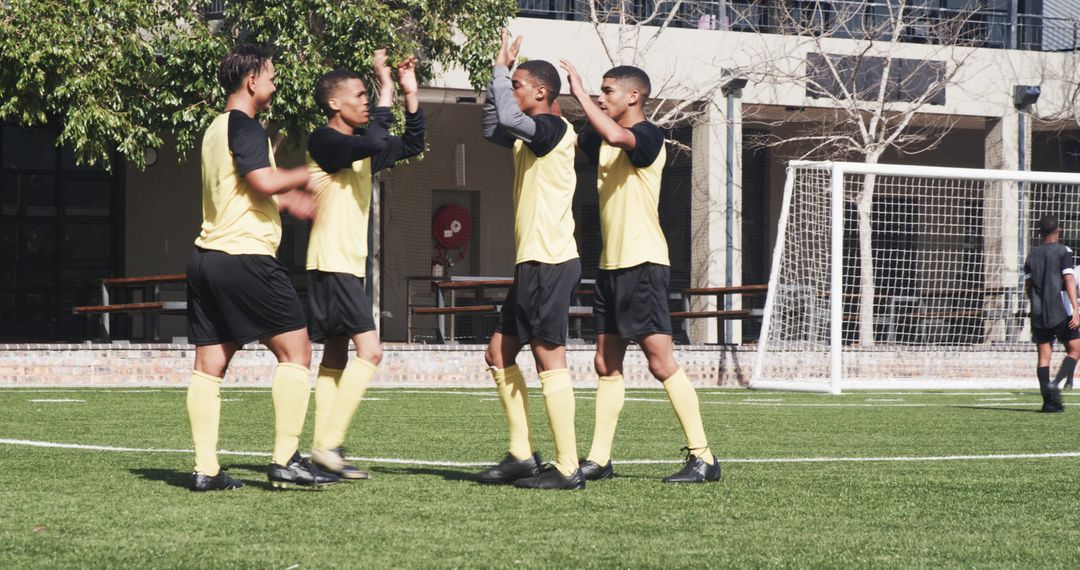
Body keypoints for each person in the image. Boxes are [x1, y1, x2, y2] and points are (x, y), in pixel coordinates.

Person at [185, 44, 338, 491]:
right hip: (245, 257)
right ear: (251, 80)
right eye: (270, 76)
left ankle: (205, 469)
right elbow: (262, 180)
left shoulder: (215, 128)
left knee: (209, 365)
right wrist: (311, 173)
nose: (274, 83)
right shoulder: (247, 126)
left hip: (207, 259)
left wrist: (291, 202)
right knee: (297, 351)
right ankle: (286, 458)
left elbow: (249, 191)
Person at [560, 59, 721, 482]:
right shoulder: (603, 138)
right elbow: (572, 140)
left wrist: (577, 92)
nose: (600, 96)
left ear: (633, 96)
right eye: (598, 90)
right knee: (604, 361)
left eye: (607, 90)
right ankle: (599, 459)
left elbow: (616, 133)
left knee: (659, 361)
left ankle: (703, 457)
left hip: (644, 265)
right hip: (611, 268)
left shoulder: (650, 136)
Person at [305, 50, 425, 479]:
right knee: (370, 352)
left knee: (336, 353)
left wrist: (410, 94)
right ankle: (327, 445)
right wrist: (387, 87)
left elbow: (411, 144)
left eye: (368, 96)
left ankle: (322, 451)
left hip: (344, 265)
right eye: (359, 96)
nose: (366, 102)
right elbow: (374, 140)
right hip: (332, 263)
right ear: (335, 104)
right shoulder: (325, 140)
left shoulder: (359, 147)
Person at [473, 30, 584, 490]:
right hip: (532, 262)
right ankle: (521, 454)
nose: (511, 91)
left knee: (547, 356)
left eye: (518, 85)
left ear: (540, 92)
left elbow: (512, 120)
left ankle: (568, 467)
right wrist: (498, 73)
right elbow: (489, 126)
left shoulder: (552, 128)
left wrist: (503, 69)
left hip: (550, 260)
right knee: (498, 353)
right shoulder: (529, 134)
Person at [1023, 214, 1079, 413]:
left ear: (1039, 232)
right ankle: (1055, 384)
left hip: (1039, 312)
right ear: (1059, 230)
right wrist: (1075, 308)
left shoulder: (1032, 255)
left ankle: (1048, 402)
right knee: (1075, 349)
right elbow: (1069, 279)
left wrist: (1034, 304)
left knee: (1043, 356)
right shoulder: (1064, 251)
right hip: (1060, 311)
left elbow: (1028, 286)